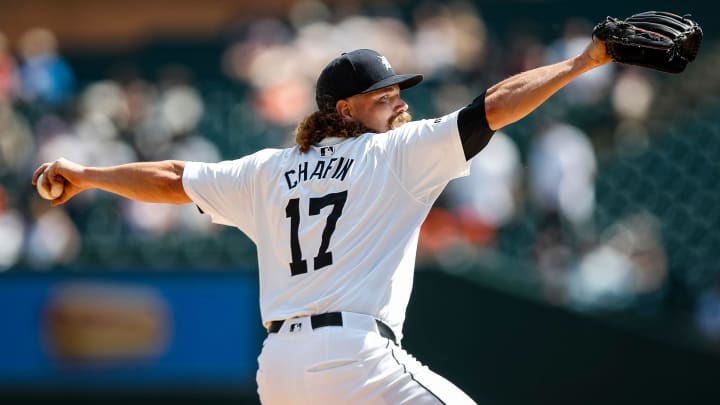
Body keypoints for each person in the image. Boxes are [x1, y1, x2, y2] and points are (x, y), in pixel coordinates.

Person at [33, 36, 611, 403]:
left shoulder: (267, 170)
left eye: (397, 91)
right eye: (383, 95)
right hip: (353, 358)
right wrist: (585, 61)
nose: (399, 101)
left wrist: (85, 174)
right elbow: (495, 105)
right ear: (345, 109)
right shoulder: (395, 152)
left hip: (279, 371)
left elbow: (171, 178)